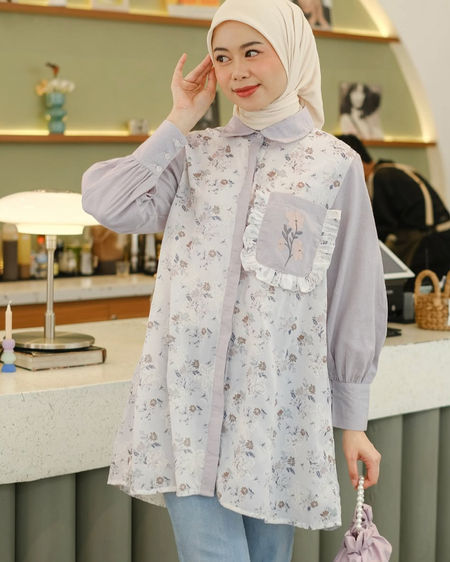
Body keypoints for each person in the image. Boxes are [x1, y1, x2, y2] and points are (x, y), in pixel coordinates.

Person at [81, 0, 387, 559]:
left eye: (252, 52)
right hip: (188, 410)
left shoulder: (333, 163)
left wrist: (353, 421)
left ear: (292, 53)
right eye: (221, 57)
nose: (237, 70)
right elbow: (107, 203)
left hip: (276, 415)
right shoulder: (195, 154)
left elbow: (353, 293)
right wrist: (180, 119)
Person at [337, 134, 450, 282]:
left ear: (356, 162)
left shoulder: (380, 178)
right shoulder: (393, 169)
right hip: (442, 238)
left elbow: (381, 229)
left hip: (429, 245)